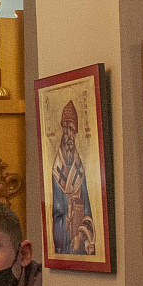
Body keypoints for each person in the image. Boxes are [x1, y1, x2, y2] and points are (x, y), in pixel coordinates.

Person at [49, 102, 95, 255]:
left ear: (75, 132)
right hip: (65, 235)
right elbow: (56, 211)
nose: (67, 133)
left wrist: (81, 234)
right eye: (65, 128)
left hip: (79, 234)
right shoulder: (57, 168)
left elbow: (87, 205)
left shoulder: (80, 166)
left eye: (71, 128)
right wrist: (66, 219)